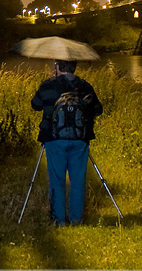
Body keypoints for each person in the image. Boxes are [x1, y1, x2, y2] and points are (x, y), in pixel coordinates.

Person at [30, 59, 103, 226]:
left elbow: (35, 105)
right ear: (74, 67)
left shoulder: (47, 85)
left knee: (57, 180)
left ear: (57, 67)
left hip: (54, 139)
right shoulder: (85, 86)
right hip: (79, 140)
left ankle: (58, 220)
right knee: (78, 180)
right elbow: (98, 110)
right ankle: (77, 220)